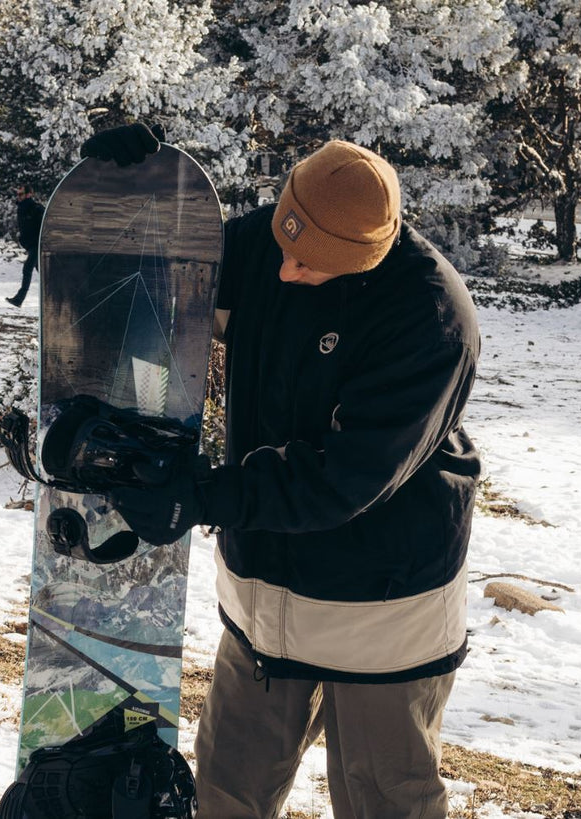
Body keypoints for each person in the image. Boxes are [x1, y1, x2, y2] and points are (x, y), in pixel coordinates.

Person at [84, 124, 481, 818]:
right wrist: (124, 195)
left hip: (381, 609)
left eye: (309, 263)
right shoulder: (272, 245)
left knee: (385, 800)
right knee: (228, 790)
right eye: (284, 242)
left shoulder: (429, 316)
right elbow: (159, 269)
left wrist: (200, 495)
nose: (284, 272)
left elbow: (340, 477)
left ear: (364, 256)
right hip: (265, 599)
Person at [7, 184, 45, 307]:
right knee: (45, 273)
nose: (18, 196)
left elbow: (45, 224)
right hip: (31, 245)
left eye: (21, 194)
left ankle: (19, 299)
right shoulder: (22, 208)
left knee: (27, 268)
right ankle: (59, 294)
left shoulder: (36, 208)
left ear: (29, 194)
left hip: (38, 244)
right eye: (18, 194)